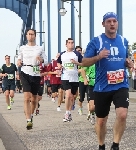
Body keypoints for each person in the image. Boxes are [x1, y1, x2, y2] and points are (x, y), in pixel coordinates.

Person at [82, 12, 133, 150]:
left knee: (122, 115)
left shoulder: (123, 41)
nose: (112, 24)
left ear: (117, 23)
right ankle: (101, 145)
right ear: (103, 24)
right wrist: (98, 57)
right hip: (102, 86)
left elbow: (126, 59)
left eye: (114, 21)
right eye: (109, 21)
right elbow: (84, 62)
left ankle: (115, 145)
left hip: (120, 84)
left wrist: (128, 63)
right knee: (101, 121)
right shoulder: (96, 41)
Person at [17, 29, 47, 130]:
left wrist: (41, 60)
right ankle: (28, 120)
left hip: (36, 73)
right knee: (26, 97)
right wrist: (19, 63)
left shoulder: (40, 48)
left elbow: (46, 61)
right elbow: (19, 59)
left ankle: (31, 114)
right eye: (29, 34)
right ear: (26, 36)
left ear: (35, 36)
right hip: (25, 72)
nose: (30, 36)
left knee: (34, 99)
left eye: (32, 34)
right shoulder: (22, 48)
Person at [57, 38, 83, 122]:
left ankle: (69, 113)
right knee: (67, 95)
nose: (71, 44)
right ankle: (67, 113)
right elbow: (58, 62)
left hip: (74, 78)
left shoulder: (77, 54)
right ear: (66, 45)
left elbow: (83, 63)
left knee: (72, 97)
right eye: (69, 43)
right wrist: (60, 66)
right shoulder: (62, 54)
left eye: (72, 43)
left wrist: (76, 63)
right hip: (65, 77)